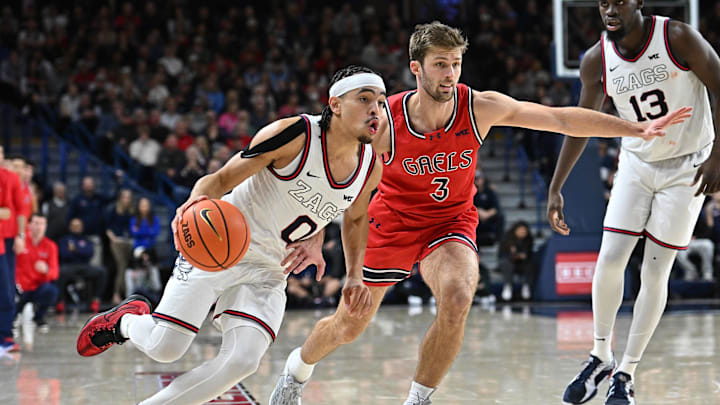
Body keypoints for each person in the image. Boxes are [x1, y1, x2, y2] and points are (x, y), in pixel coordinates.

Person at [270, 21, 692, 405]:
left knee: (457, 296)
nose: (450, 74)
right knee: (349, 325)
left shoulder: (479, 107)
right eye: (439, 64)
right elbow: (352, 197)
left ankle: (418, 399)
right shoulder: (384, 125)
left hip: (450, 222)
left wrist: (633, 128)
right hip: (392, 223)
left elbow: (559, 118)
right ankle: (296, 372)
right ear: (416, 68)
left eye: (455, 63)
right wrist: (343, 262)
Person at [75, 65, 384, 405]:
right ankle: (126, 322)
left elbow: (355, 218)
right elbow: (220, 180)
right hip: (222, 244)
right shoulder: (295, 133)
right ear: (335, 104)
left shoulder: (370, 166)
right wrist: (192, 205)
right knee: (166, 348)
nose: (375, 109)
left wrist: (352, 272)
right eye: (364, 99)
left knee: (243, 360)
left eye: (381, 102)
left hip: (270, 269)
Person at [546, 3, 720, 405]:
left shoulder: (677, 37)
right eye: (603, 2)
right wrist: (557, 186)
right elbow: (579, 122)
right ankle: (600, 355)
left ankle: (627, 372)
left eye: (619, 1)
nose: (609, 9)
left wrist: (718, 155)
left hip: (687, 166)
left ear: (638, 1)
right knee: (609, 258)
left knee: (656, 271)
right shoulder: (595, 60)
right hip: (637, 163)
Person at [15, 213, 58, 332]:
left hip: (38, 287)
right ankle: (15, 314)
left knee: (52, 291)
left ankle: (39, 317)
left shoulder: (50, 246)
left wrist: (47, 270)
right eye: (36, 223)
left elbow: (55, 273)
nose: (39, 227)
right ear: (29, 225)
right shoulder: (20, 242)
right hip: (19, 288)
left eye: (42, 224)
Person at [0, 145, 25, 352]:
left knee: (7, 288)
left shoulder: (11, 178)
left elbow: (18, 211)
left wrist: (20, 235)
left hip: (6, 240)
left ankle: (5, 334)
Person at [498, 220, 535, 301]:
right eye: (520, 230)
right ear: (515, 230)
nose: (522, 232)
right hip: (509, 261)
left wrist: (523, 255)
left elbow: (528, 252)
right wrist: (513, 255)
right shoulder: (506, 238)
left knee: (531, 263)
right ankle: (507, 286)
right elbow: (502, 254)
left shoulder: (529, 239)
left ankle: (526, 286)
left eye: (524, 231)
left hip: (522, 263)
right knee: (506, 263)